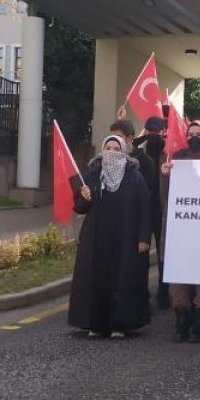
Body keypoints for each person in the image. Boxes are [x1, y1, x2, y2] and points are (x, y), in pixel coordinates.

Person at [68, 135, 152, 339]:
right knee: (98, 279)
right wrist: (84, 198)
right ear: (102, 151)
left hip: (125, 238)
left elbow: (144, 209)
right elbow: (80, 208)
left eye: (117, 148)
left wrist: (144, 238)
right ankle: (96, 324)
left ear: (124, 152)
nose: (112, 152)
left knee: (121, 280)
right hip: (97, 237)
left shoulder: (134, 176)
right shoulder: (93, 175)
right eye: (108, 148)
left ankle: (120, 325)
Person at [159, 119, 200, 342]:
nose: (194, 137)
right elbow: (166, 196)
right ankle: (181, 322)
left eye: (199, 133)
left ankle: (199, 324)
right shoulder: (178, 158)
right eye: (191, 133)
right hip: (181, 229)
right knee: (179, 276)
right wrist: (165, 176)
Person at [110, 116, 166, 309]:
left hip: (154, 212)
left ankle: (163, 292)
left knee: (161, 253)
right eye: (149, 131)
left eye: (156, 132)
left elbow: (146, 193)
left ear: (129, 138)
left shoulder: (146, 161)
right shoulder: (118, 157)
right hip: (128, 217)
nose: (152, 135)